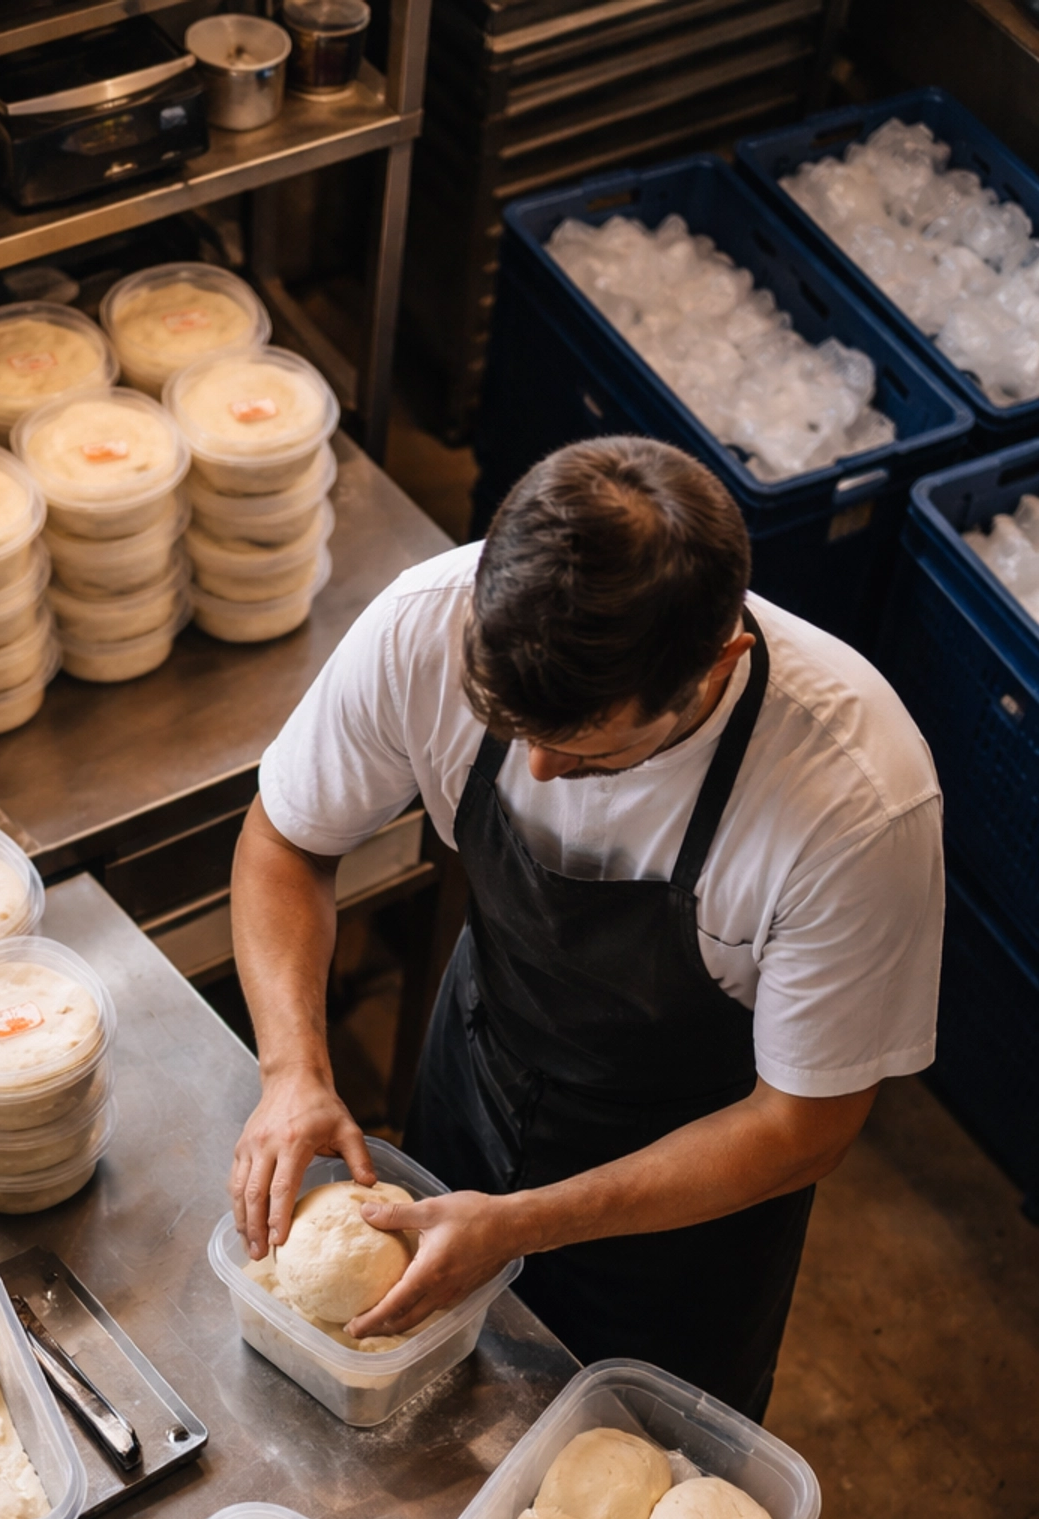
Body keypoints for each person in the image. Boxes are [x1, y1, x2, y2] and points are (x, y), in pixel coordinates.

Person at [227, 436, 944, 1418]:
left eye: (588, 753)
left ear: (717, 663)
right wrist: (293, 1072)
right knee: (412, 1410)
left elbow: (802, 1127)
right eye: (510, 730)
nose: (539, 775)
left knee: (633, 1481)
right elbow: (286, 842)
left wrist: (526, 1223)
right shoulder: (425, 624)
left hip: (686, 1203)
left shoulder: (853, 803)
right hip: (478, 1075)